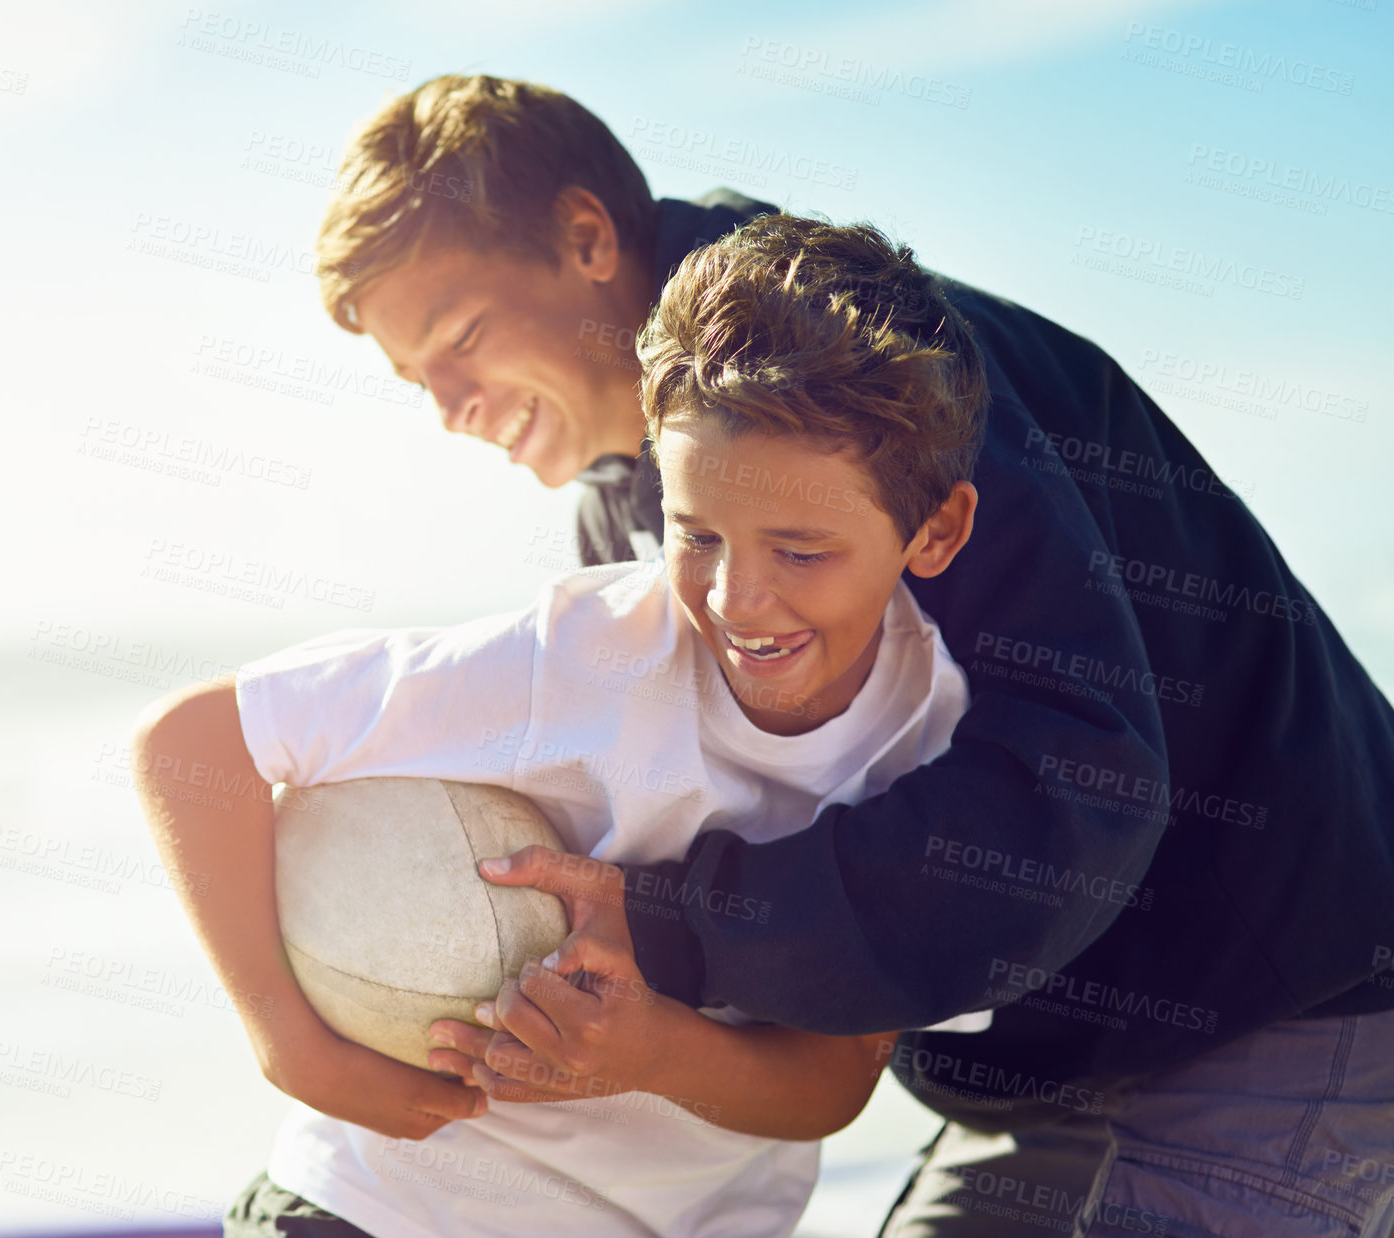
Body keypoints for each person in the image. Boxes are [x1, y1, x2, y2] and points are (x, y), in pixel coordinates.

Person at [304, 74, 1394, 1236]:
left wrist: (681, 926)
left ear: (584, 237)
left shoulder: (860, 374)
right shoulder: (631, 504)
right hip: (1031, 1062)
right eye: (418, 379)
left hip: (1281, 990)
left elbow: (1074, 786)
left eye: (461, 340)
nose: (451, 407)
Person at [135, 217, 998, 1236]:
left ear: (935, 529)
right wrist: (292, 1043)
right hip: (381, 1207)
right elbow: (195, 741)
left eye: (800, 551)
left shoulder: (935, 752)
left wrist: (650, 1053)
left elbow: (834, 1077)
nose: (736, 596)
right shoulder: (579, 655)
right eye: (697, 535)